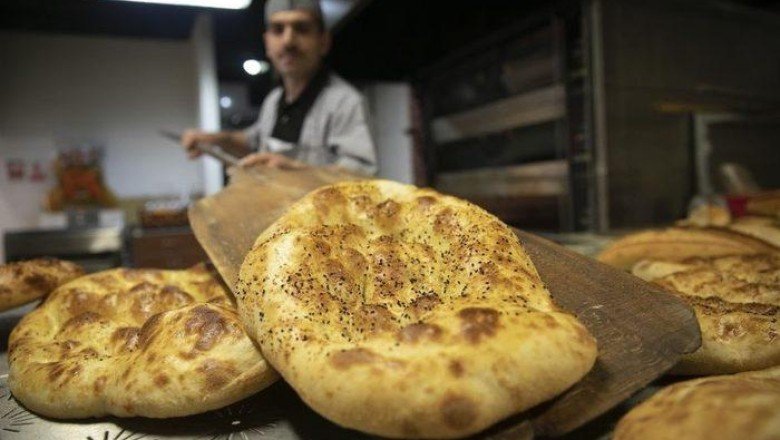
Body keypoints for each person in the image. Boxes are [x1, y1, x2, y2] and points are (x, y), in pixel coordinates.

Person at [181, 0, 377, 175]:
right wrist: (214, 139)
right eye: (278, 29)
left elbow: (363, 173)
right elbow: (253, 141)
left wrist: (297, 170)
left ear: (324, 42)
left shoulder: (345, 102)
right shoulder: (274, 100)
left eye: (301, 28)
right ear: (267, 42)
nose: (288, 41)